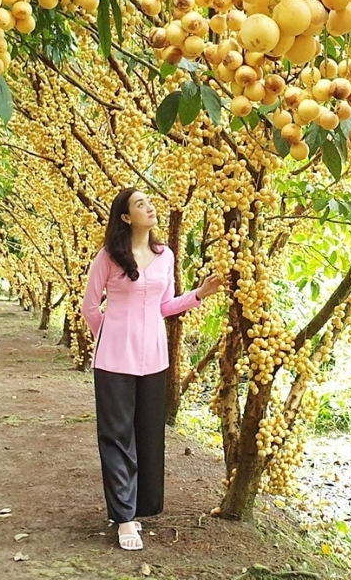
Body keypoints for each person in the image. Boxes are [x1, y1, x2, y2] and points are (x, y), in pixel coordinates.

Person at [81, 187, 225, 551]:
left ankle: (140, 505)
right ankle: (124, 518)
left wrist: (200, 294)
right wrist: (109, 336)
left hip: (154, 358)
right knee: (116, 436)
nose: (150, 207)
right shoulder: (109, 257)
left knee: (147, 433)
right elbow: (90, 308)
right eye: (140, 204)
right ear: (126, 217)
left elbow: (164, 306)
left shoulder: (165, 256)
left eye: (150, 202)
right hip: (114, 357)